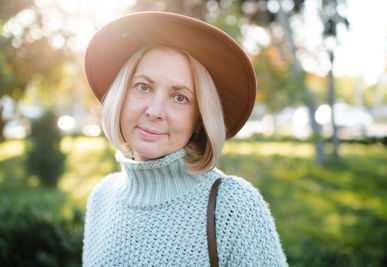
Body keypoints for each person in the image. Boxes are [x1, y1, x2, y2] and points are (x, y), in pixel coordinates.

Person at [82, 11, 287, 266]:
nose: (155, 111)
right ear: (122, 95)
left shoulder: (234, 208)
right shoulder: (101, 198)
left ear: (200, 120)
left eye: (180, 97)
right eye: (143, 86)